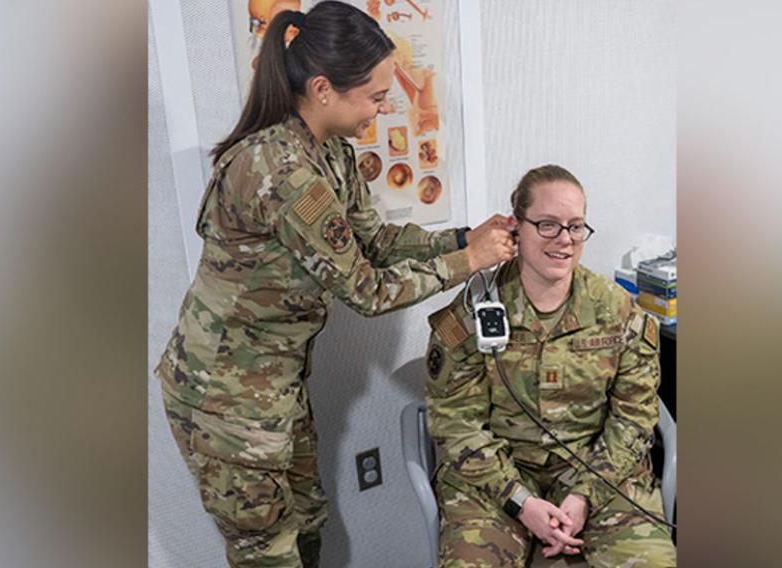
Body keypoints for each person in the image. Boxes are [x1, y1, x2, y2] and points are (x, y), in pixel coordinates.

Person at [154, 3, 514, 567]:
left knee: (308, 523)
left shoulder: (333, 155)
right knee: (267, 553)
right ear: (323, 89)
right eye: (374, 95)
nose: (385, 105)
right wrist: (466, 262)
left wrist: (464, 237)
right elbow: (367, 291)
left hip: (277, 385)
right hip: (225, 399)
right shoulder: (282, 172)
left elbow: (376, 240)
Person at [425, 165, 677, 567]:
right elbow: (456, 422)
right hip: (496, 478)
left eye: (576, 227)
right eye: (547, 225)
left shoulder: (617, 311)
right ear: (515, 227)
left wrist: (583, 497)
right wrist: (521, 502)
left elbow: (634, 418)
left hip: (599, 471)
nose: (564, 240)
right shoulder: (477, 312)